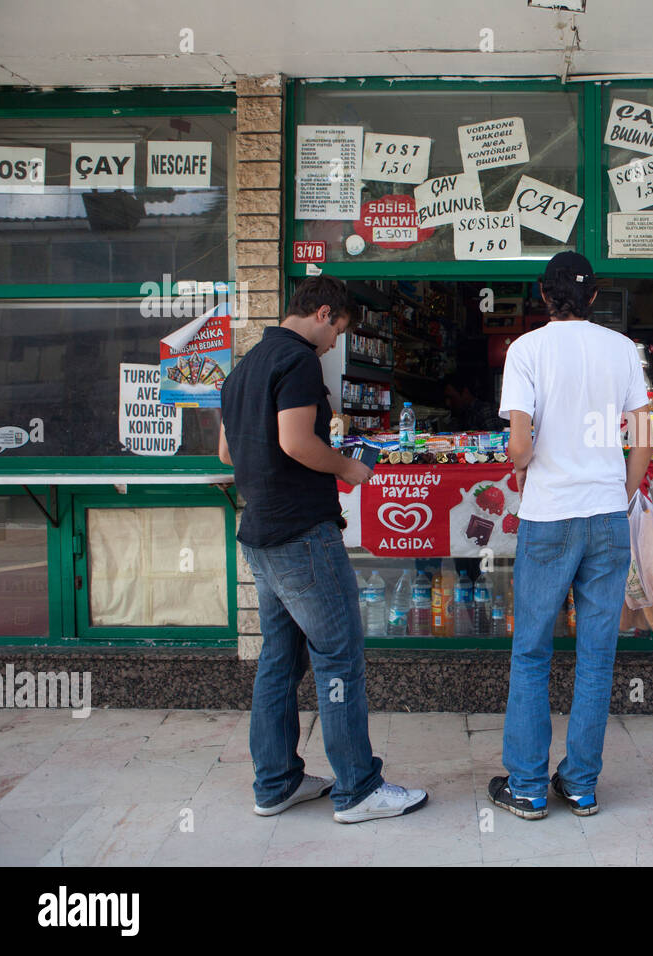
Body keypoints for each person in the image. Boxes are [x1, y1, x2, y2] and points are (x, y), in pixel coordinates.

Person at [219, 276, 428, 823]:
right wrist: (347, 468)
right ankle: (358, 788)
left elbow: (225, 452)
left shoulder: (244, 367)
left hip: (260, 535)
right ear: (323, 313)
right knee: (338, 657)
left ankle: (276, 783)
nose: (336, 343)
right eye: (338, 330)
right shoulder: (298, 362)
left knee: (279, 662)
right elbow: (295, 441)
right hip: (302, 534)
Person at [488, 252, 653, 819]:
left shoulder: (526, 350)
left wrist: (520, 464)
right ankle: (580, 785)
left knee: (532, 651)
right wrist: (620, 494)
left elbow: (519, 446)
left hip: (550, 517)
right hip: (607, 517)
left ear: (542, 294)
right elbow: (643, 442)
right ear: (592, 297)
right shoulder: (622, 350)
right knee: (596, 656)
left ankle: (529, 787)